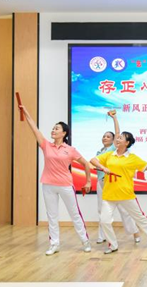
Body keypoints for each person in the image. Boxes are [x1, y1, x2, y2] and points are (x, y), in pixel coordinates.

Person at [19, 105, 92, 256]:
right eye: (53, 128)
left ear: (64, 133)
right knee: (52, 216)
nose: (53, 130)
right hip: (48, 185)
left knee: (74, 214)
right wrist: (25, 112)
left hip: (66, 185)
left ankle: (85, 241)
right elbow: (34, 128)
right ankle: (54, 244)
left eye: (57, 128)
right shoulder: (46, 145)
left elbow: (86, 164)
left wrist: (88, 181)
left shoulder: (70, 150)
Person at [90, 131, 147, 254]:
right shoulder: (109, 155)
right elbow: (93, 160)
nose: (117, 139)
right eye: (117, 138)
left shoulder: (132, 158)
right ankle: (113, 245)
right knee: (105, 221)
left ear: (127, 143)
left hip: (126, 195)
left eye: (121, 138)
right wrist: (103, 167)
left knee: (141, 219)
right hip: (109, 196)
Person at [94, 110, 140, 245]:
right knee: (101, 210)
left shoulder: (113, 149)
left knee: (124, 210)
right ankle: (102, 236)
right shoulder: (100, 152)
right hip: (101, 183)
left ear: (114, 140)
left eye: (108, 136)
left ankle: (135, 232)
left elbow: (118, 132)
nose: (105, 138)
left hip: (114, 183)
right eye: (104, 136)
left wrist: (114, 118)